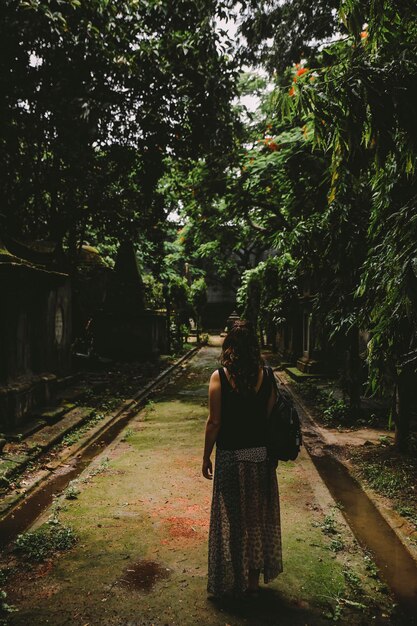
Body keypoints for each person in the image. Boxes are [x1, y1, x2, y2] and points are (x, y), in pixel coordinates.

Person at [202, 320, 283, 598]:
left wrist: (205, 456)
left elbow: (214, 422)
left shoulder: (219, 377)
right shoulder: (268, 376)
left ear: (229, 347)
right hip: (259, 458)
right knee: (256, 520)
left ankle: (233, 580)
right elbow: (270, 418)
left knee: (234, 522)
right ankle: (252, 583)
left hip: (230, 459)